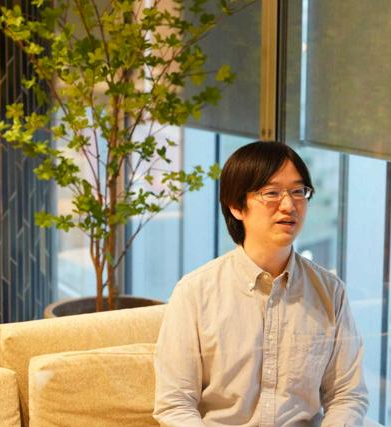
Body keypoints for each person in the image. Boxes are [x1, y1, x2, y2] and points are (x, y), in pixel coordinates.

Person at [154, 141, 369, 426]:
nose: (289, 205)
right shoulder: (195, 292)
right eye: (271, 193)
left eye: (298, 191)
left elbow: (346, 395)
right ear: (236, 206)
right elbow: (175, 404)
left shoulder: (330, 291)